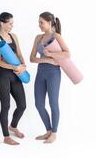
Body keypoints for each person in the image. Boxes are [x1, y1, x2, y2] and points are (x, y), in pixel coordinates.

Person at [30, 12, 70, 143]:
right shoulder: (38, 38)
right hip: (41, 73)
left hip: (53, 73)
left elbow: (68, 54)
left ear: (50, 23)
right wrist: (47, 59)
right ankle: (48, 130)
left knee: (53, 103)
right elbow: (32, 58)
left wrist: (52, 54)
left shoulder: (56, 36)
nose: (39, 25)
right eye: (39, 22)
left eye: (41, 22)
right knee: (39, 104)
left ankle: (54, 133)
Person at [0, 12, 27, 145]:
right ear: (2, 23)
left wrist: (23, 65)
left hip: (16, 74)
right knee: (5, 106)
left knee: (22, 105)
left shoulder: (14, 36)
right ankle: (6, 137)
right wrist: (14, 66)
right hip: (2, 75)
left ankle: (12, 126)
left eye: (13, 23)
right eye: (10, 23)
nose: (12, 26)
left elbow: (19, 54)